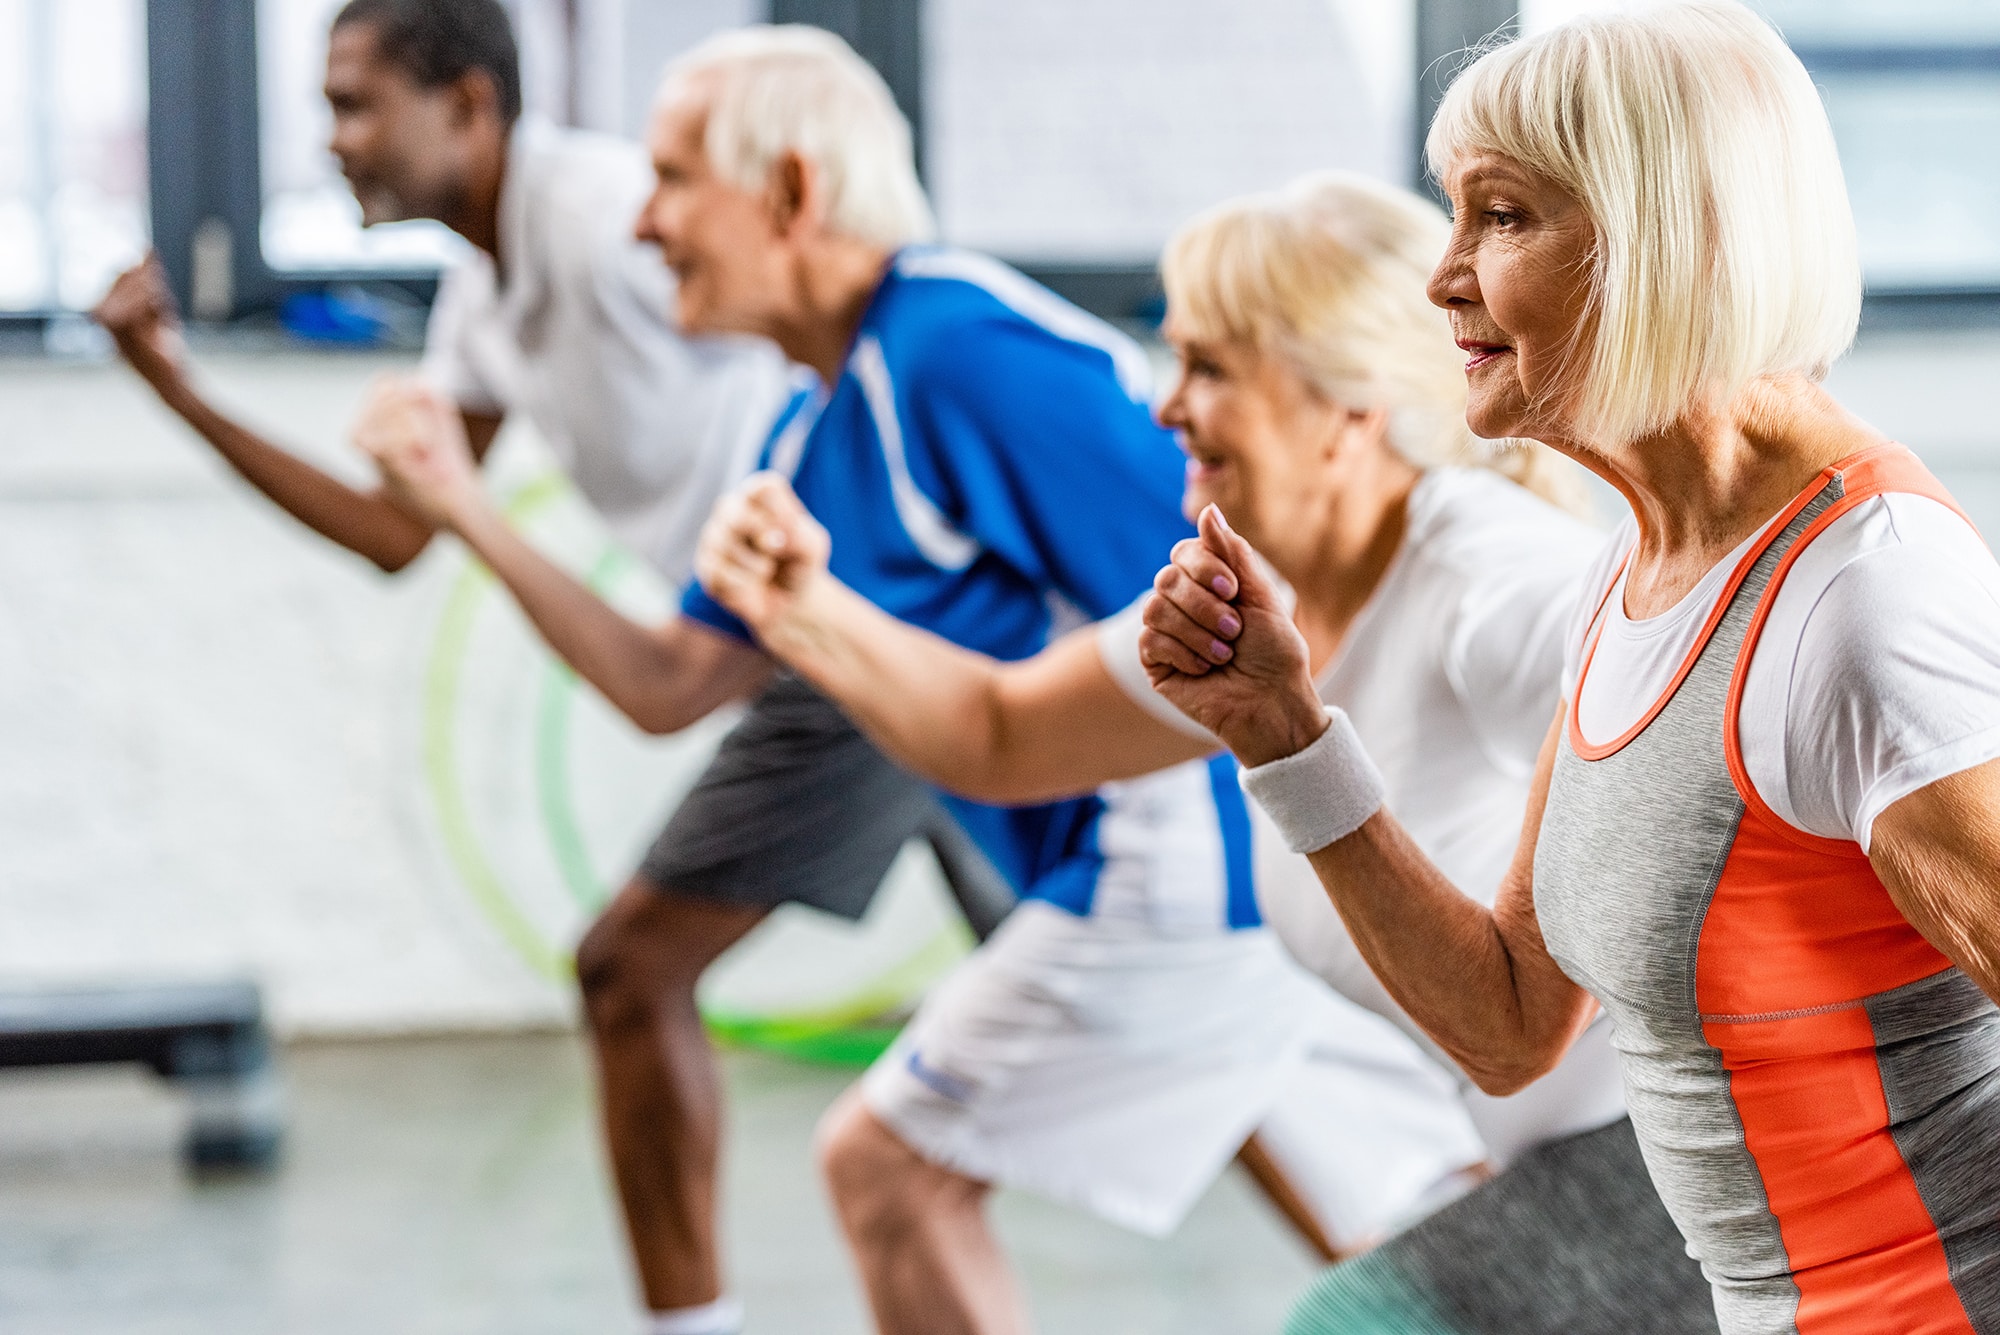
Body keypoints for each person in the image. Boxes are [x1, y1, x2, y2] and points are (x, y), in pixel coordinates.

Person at [355, 27, 1409, 1335]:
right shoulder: (816, 430)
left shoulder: (956, 346)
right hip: (1134, 863)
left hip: (1203, 862)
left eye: (677, 179)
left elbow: (1267, 582)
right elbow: (666, 680)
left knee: (891, 1167)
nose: (646, 222)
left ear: (793, 195)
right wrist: (465, 510)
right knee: (1388, 1209)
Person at [696, 172, 1716, 1334]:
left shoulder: (1492, 582)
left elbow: (1693, 768)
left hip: (1684, 1162)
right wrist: (801, 609)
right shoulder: (1257, 604)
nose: (1166, 407)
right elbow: (998, 734)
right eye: (1171, 358)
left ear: (1349, 408)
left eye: (1212, 370)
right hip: (1550, 1157)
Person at [1143, 5, 2000, 1333]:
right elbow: (1507, 1020)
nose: (1442, 279)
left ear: (1669, 237)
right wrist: (1283, 731)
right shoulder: (1633, 569)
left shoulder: (1863, 592)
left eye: (1502, 217)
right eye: (1454, 215)